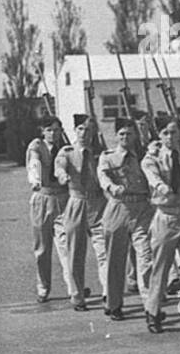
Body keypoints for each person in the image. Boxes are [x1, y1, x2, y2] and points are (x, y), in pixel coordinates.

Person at [141, 114, 180, 336]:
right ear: (158, 135)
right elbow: (152, 176)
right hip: (166, 217)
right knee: (161, 267)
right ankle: (153, 311)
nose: (170, 137)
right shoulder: (153, 158)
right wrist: (162, 187)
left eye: (174, 132)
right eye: (165, 133)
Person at [97, 115, 154, 319]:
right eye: (121, 134)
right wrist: (112, 187)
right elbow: (103, 176)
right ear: (116, 135)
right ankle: (114, 304)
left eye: (129, 134)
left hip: (142, 209)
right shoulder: (108, 156)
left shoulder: (145, 155)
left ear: (135, 135)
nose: (125, 137)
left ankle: (151, 307)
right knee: (115, 260)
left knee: (146, 257)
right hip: (118, 208)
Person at [55, 113, 109, 311]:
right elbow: (59, 167)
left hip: (97, 204)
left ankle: (108, 294)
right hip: (76, 201)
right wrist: (63, 176)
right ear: (75, 130)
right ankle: (77, 296)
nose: (84, 133)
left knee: (104, 251)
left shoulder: (100, 153)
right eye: (81, 129)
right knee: (75, 253)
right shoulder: (67, 152)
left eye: (88, 130)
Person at [26, 116, 71, 303]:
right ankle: (43, 287)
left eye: (57, 130)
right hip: (42, 198)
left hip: (63, 199)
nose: (53, 133)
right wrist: (35, 179)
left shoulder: (65, 148)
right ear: (42, 131)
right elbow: (34, 162)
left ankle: (73, 288)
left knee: (67, 246)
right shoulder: (37, 145)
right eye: (49, 130)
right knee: (42, 249)